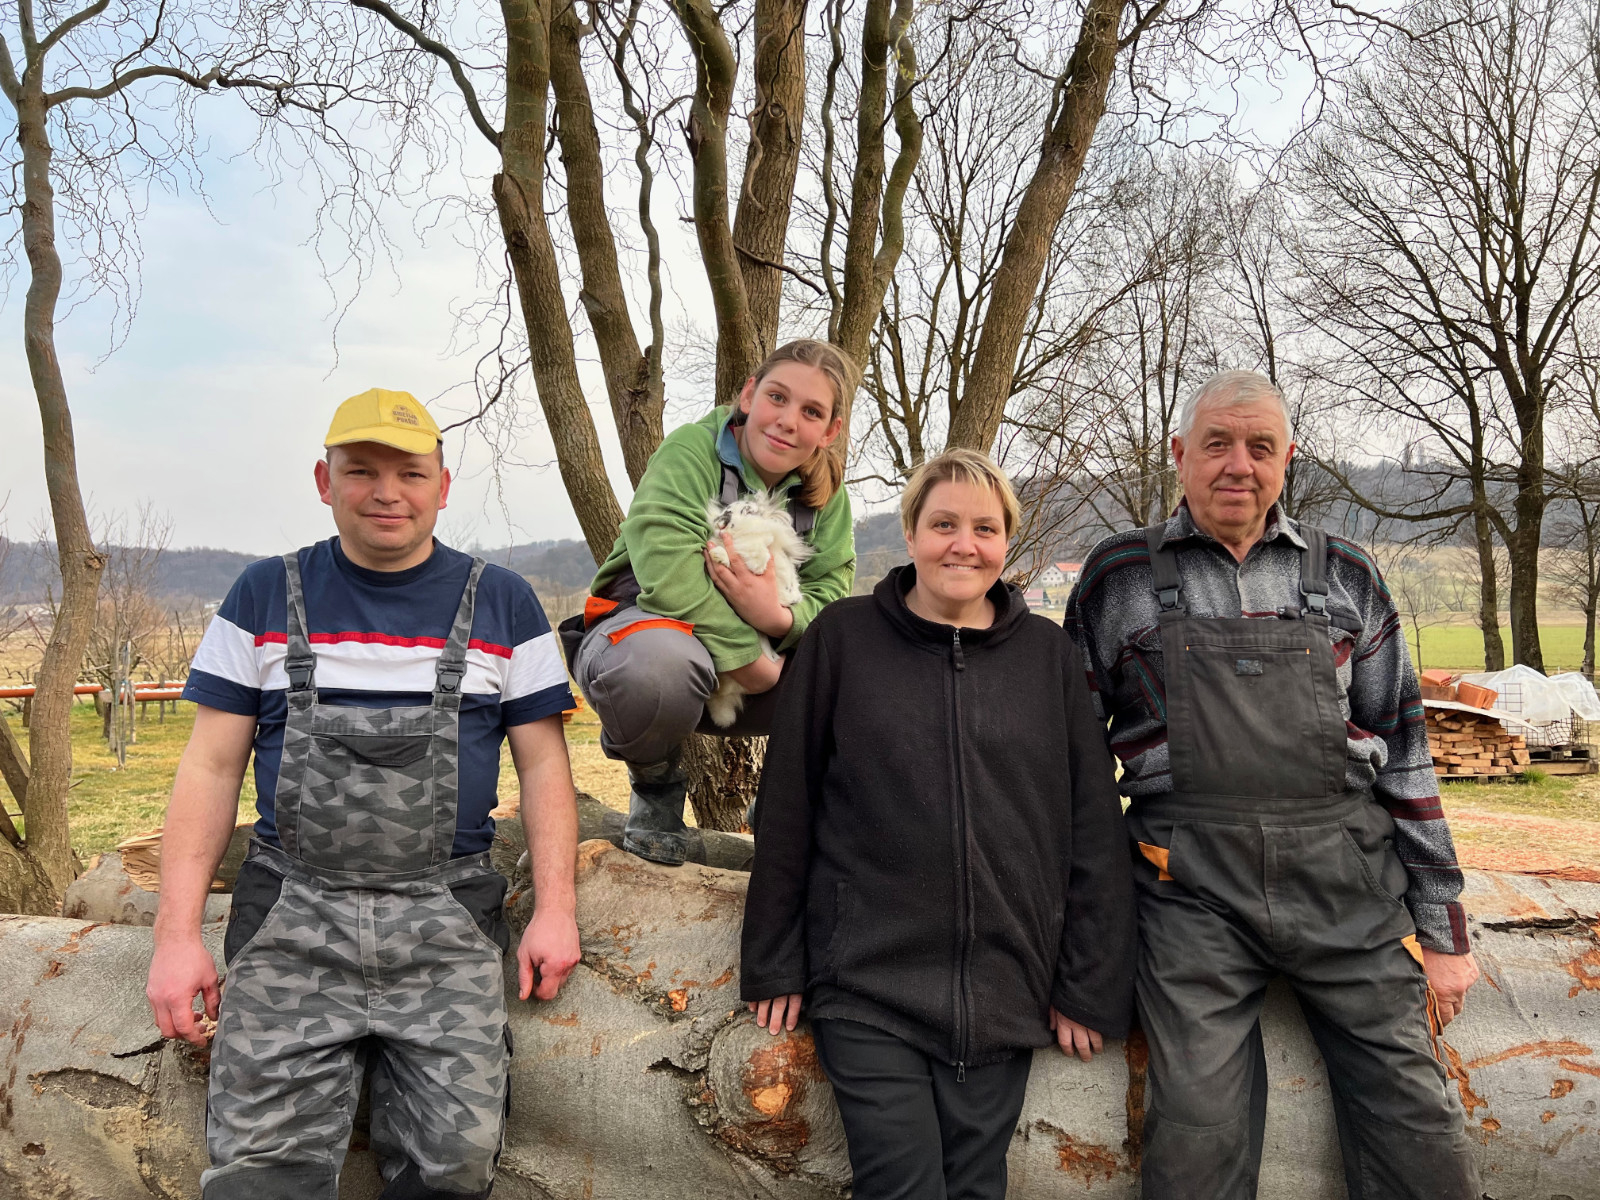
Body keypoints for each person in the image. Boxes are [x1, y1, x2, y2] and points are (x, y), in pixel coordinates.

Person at [145, 388, 582, 1200]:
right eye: (362, 470)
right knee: (258, 1175)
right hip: (291, 916)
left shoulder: (505, 604)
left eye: (410, 473)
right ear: (324, 479)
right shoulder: (261, 597)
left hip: (447, 923)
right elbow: (207, 769)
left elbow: (546, 769)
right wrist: (176, 937)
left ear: (442, 487)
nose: (388, 491)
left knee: (453, 1166)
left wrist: (555, 908)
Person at [1065, 370, 1482, 1199]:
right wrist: (1076, 933)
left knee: (1416, 1120)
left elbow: (1403, 750)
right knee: (1196, 1132)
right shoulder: (1119, 577)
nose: (1238, 465)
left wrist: (1443, 927)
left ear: (1288, 458)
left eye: (1260, 447)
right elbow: (1073, 768)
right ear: (1180, 453)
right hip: (1189, 892)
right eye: (1216, 443)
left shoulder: (1349, 574)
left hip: (1349, 885)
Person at [741, 449, 1136, 1200]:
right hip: (869, 983)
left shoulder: (1048, 656)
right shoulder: (842, 641)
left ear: (1007, 541)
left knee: (977, 1189)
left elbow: (1092, 824)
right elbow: (788, 804)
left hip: (1006, 986)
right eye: (944, 523)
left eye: (985, 528)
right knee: (904, 1187)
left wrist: (1089, 984)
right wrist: (772, 959)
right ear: (913, 532)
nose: (965, 543)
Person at [566, 338, 858, 865]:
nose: (788, 420)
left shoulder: (827, 498)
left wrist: (775, 616)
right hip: (646, 638)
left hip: (760, 662)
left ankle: (788, 811)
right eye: (777, 397)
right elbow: (667, 568)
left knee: (870, 673)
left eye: (811, 411)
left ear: (830, 430)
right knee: (657, 666)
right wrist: (750, 658)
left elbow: (832, 593)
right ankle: (656, 790)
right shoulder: (690, 451)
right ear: (748, 395)